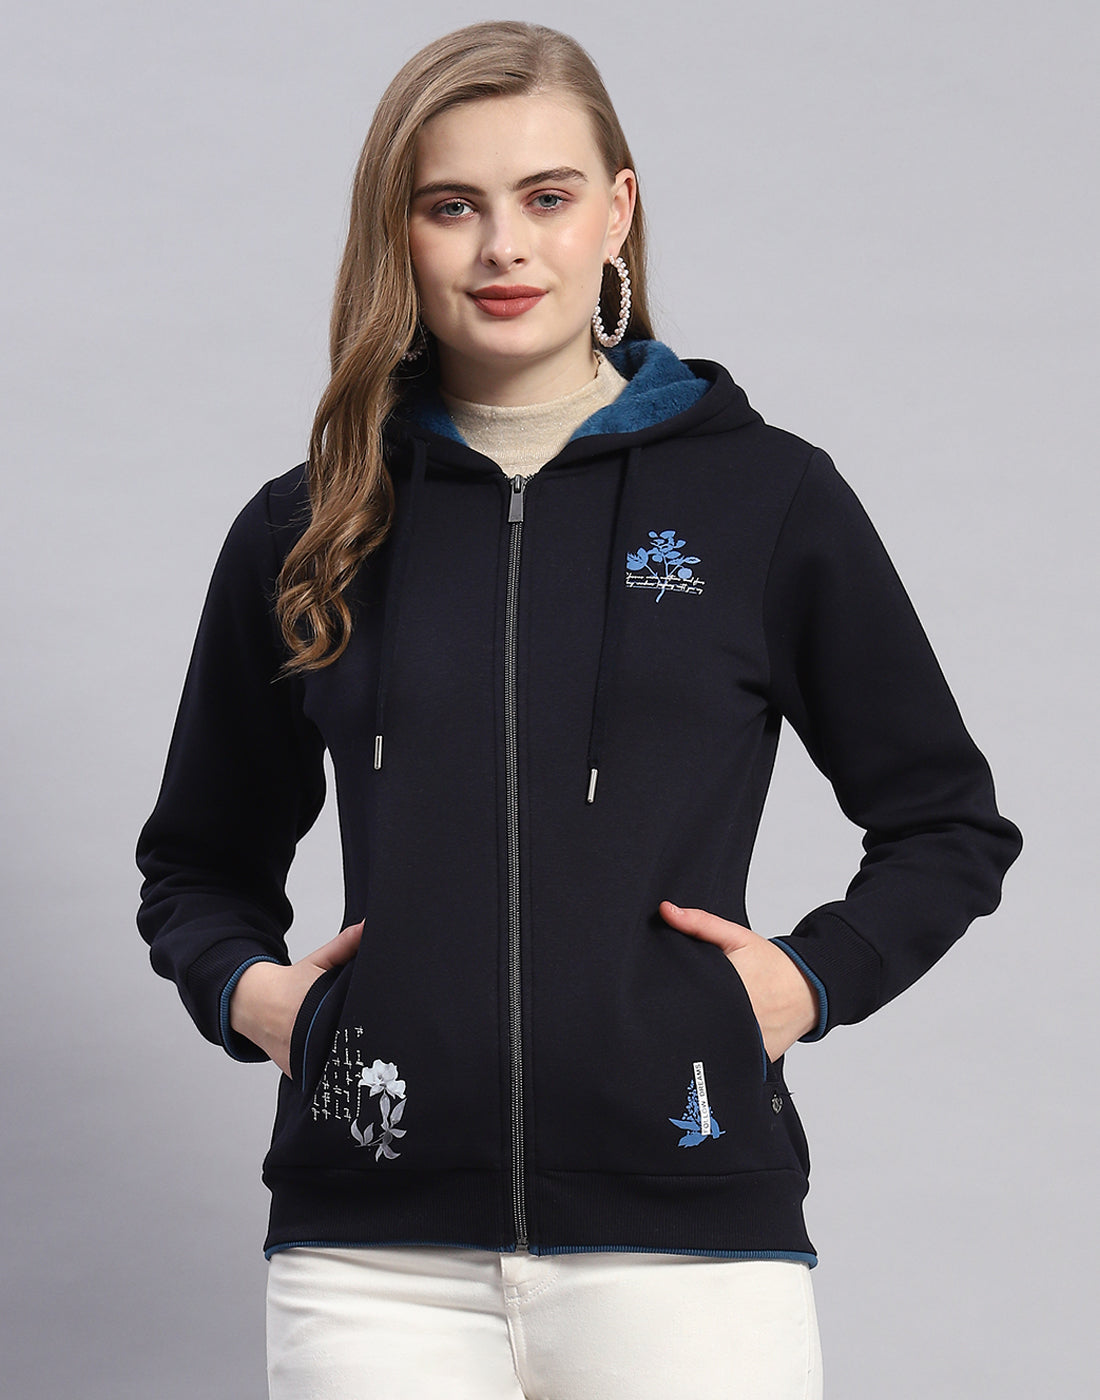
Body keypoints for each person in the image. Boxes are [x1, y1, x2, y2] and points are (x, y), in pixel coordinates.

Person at [136, 19, 1022, 1400]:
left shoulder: (765, 500)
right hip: (372, 1259)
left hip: (688, 1247)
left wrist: (803, 983)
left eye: (546, 197)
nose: (504, 247)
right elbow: (195, 863)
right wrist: (266, 1004)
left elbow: (948, 825)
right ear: (397, 233)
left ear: (617, 210)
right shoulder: (309, 526)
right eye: (452, 205)